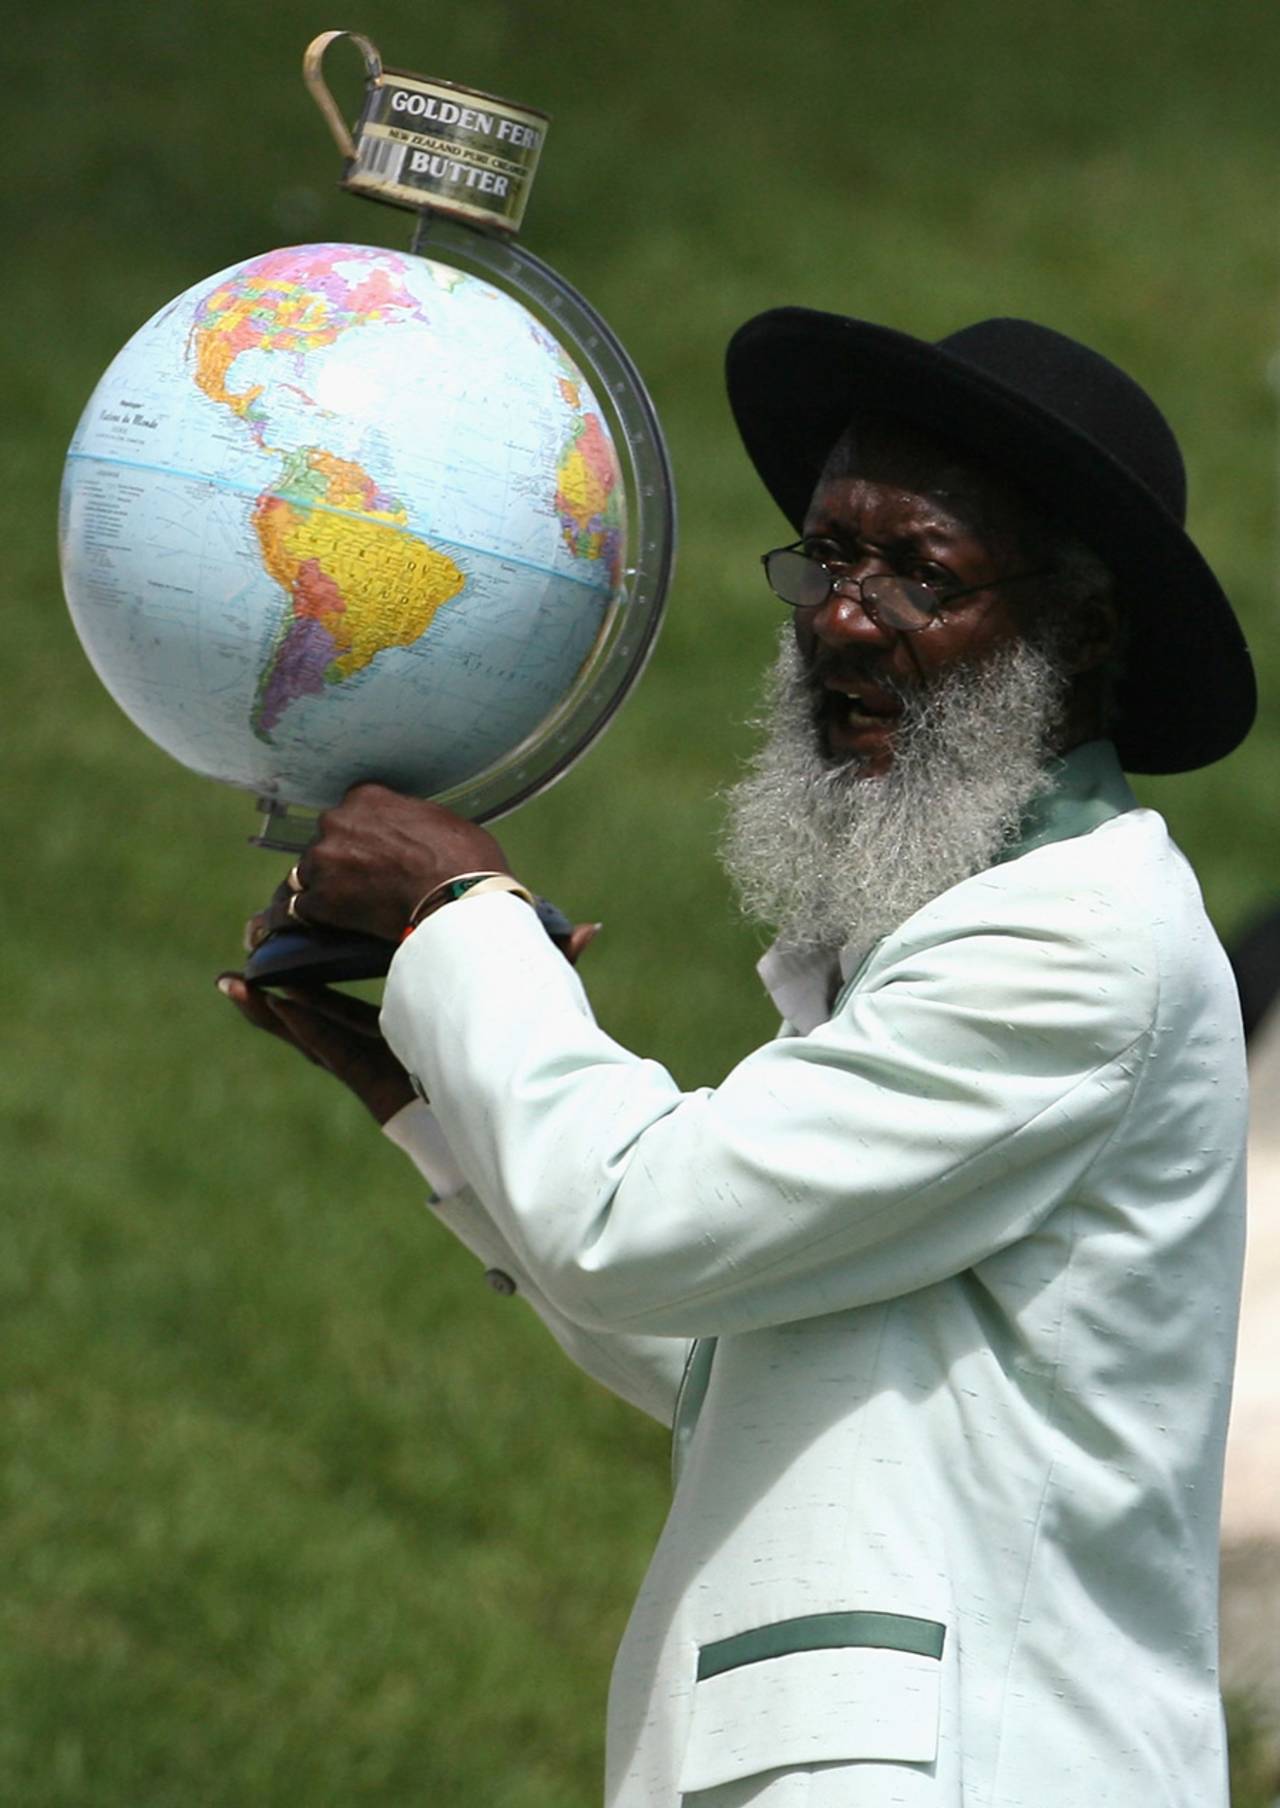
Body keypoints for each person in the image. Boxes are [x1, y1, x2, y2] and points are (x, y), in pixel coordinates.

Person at [220, 311, 1256, 1807]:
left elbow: (641, 1223)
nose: (843, 619)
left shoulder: (1076, 941)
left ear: (1081, 634)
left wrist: (461, 916)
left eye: (922, 575)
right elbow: (720, 1343)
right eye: (828, 558)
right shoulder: (977, 923)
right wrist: (427, 1104)